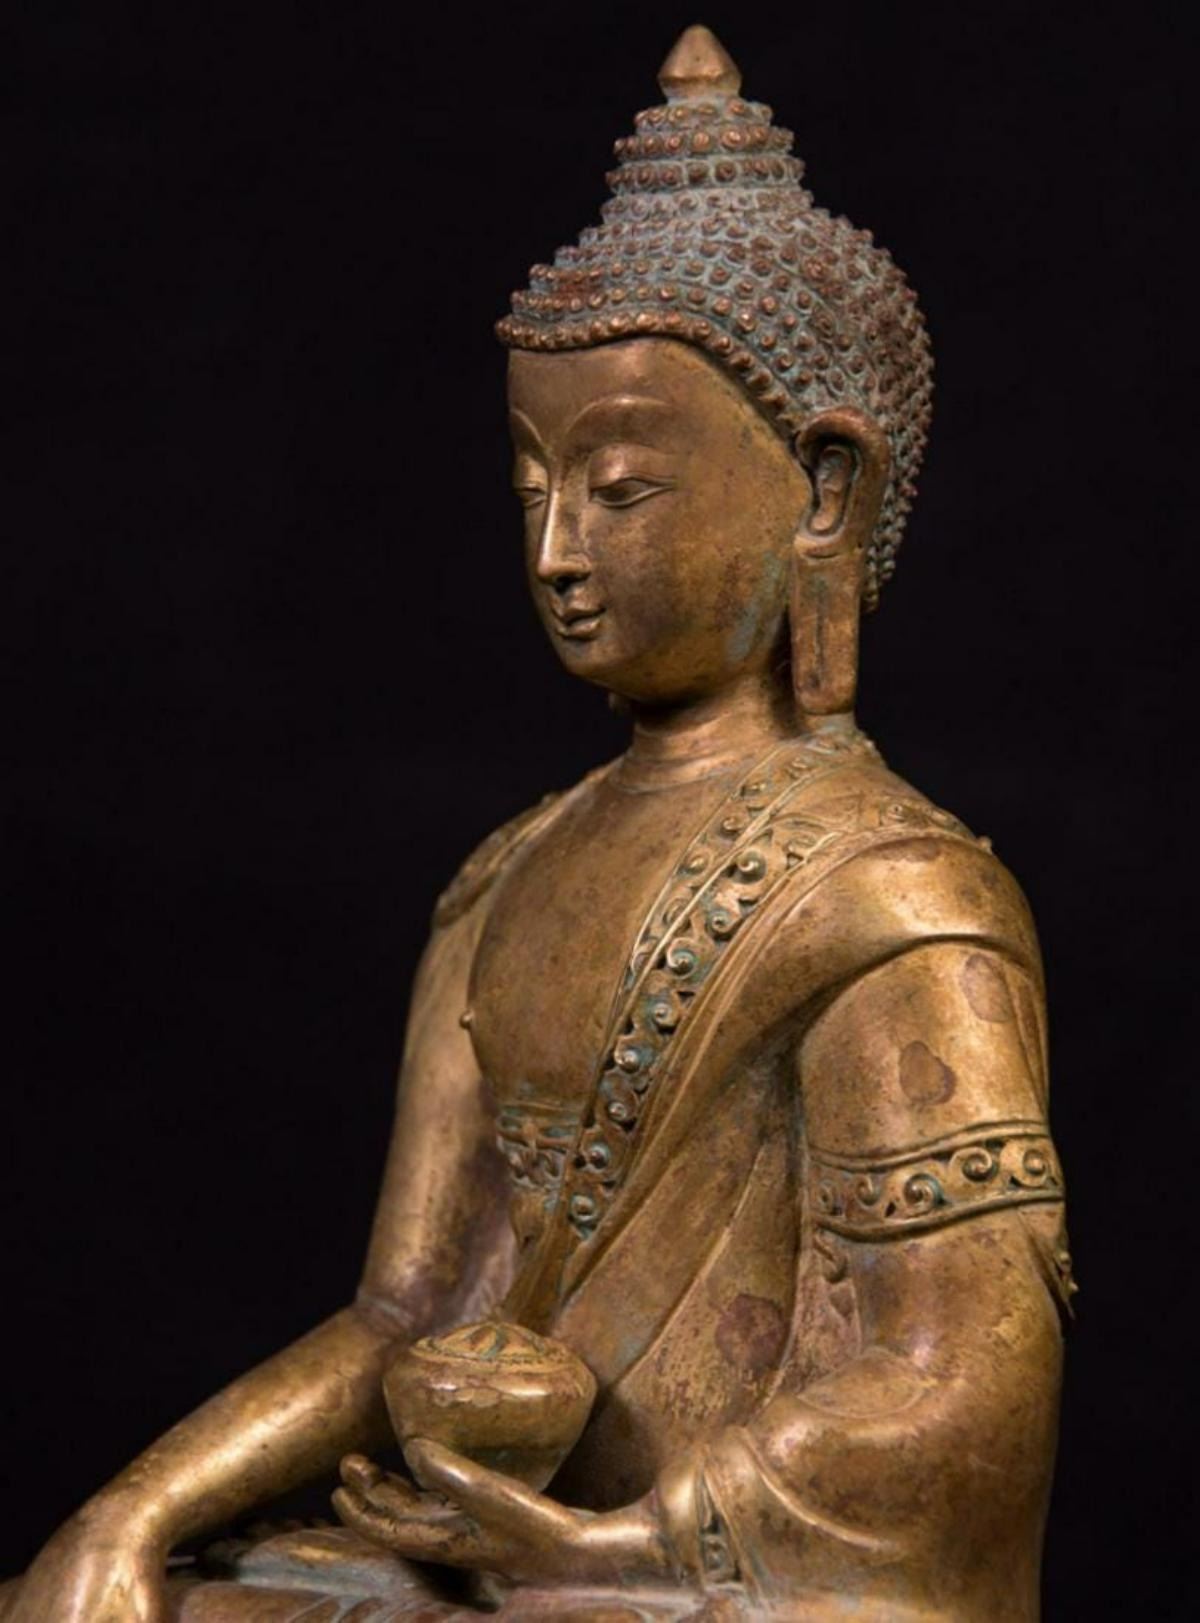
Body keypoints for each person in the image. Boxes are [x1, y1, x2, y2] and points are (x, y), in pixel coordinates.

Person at [3, 26, 1073, 1622]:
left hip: (723, 1584)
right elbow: (403, 1318)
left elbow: (957, 1398)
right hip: (508, 1559)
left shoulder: (895, 901)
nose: (559, 550)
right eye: (530, 491)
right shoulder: (508, 878)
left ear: (823, 488)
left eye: (621, 489)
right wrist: (134, 1509)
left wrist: (609, 1547)